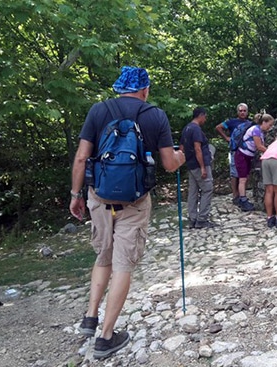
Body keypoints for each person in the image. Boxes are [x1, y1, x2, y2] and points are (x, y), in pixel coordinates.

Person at [67, 66, 182, 360]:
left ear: (119, 87)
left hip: (99, 196)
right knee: (122, 265)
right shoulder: (155, 115)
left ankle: (90, 317)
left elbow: (82, 157)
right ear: (145, 90)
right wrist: (181, 156)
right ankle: (106, 337)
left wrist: (75, 195)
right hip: (134, 202)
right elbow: (169, 164)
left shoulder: (98, 110)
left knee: (103, 256)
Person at [182, 107, 217, 229]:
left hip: (191, 165)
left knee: (193, 191)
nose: (205, 119)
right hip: (199, 164)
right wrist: (203, 167)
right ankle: (202, 219)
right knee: (207, 189)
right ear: (201, 115)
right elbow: (198, 148)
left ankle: (192, 218)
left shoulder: (186, 128)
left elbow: (182, 148)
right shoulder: (196, 129)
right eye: (205, 117)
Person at [216, 104, 254, 211]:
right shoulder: (231, 122)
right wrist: (227, 138)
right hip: (234, 150)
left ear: (247, 112)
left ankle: (242, 195)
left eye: (244, 111)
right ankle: (235, 195)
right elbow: (218, 127)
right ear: (237, 112)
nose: (242, 112)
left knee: (244, 174)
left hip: (246, 151)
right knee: (234, 174)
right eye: (240, 110)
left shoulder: (250, 123)